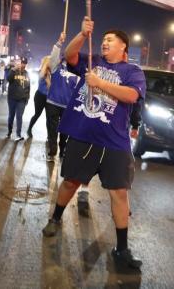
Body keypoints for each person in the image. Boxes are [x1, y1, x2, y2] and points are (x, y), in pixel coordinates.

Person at [42, 17, 146, 270]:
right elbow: (70, 54)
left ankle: (122, 248)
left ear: (123, 46)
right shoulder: (92, 61)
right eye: (103, 39)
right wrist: (82, 34)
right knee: (70, 182)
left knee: (119, 193)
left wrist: (100, 83)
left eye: (110, 40)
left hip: (115, 143)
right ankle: (55, 218)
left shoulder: (133, 72)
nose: (104, 43)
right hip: (84, 136)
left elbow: (131, 95)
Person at [44, 32, 80, 161]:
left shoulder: (78, 71)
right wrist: (59, 42)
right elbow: (53, 57)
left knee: (65, 130)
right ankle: (52, 151)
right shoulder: (55, 67)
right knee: (52, 129)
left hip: (67, 106)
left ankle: (63, 150)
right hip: (52, 102)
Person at [5, 57, 31, 141]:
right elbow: (8, 79)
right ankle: (9, 132)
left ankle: (18, 134)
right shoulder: (13, 71)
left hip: (22, 99)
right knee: (11, 116)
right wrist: (14, 69)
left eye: (24, 63)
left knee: (19, 116)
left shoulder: (27, 74)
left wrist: (27, 98)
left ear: (26, 64)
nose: (22, 64)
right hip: (12, 98)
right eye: (21, 62)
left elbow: (28, 87)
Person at [26, 55, 50, 139]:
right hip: (40, 96)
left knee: (49, 117)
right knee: (37, 114)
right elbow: (48, 85)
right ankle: (29, 129)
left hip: (49, 98)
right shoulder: (42, 71)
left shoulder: (53, 72)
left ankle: (49, 135)